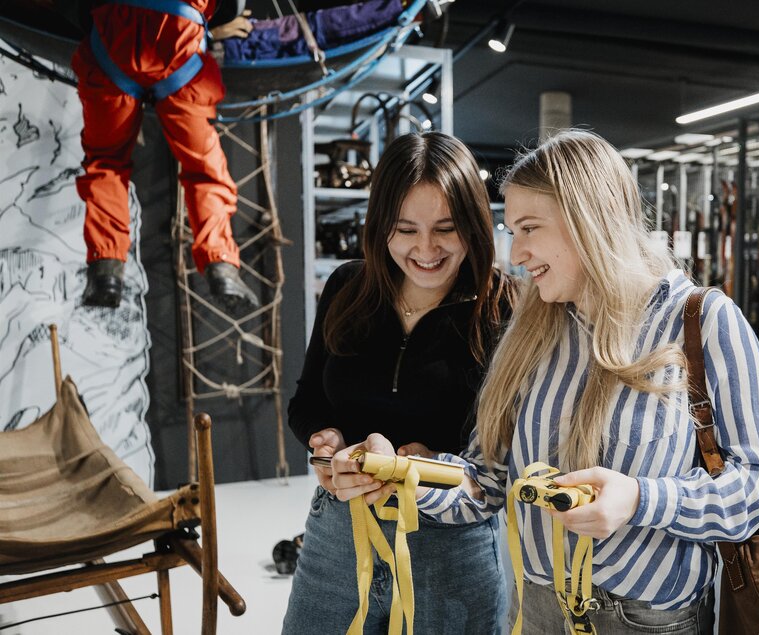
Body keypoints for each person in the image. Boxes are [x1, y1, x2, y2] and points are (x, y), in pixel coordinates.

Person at [331, 129, 759, 634]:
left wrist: (639, 499)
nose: (517, 252)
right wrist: (399, 475)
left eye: (528, 228)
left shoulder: (703, 321)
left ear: (588, 220)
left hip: (647, 620)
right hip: (538, 609)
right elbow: (485, 483)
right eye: (512, 231)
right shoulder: (535, 329)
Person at [283, 132, 514, 634]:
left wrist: (429, 464)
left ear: (474, 227)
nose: (425, 249)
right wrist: (327, 443)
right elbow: (307, 401)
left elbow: (508, 453)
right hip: (341, 528)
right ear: (381, 226)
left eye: (446, 229)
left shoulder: (503, 309)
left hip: (451, 544)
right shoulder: (349, 287)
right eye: (405, 229)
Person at [72, 0, 258, 311]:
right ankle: (221, 265)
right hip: (180, 59)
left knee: (106, 163)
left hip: (111, 49)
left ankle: (105, 269)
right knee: (203, 170)